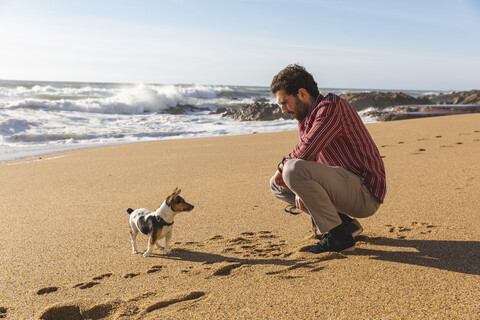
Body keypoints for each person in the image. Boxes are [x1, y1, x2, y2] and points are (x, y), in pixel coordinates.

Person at [269, 64, 386, 253]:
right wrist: (298, 188)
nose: (283, 109)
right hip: (343, 186)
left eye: (284, 102)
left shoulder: (331, 107)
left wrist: (282, 167)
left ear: (301, 93)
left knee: (289, 170)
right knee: (277, 185)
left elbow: (307, 150)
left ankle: (338, 238)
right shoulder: (306, 119)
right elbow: (308, 158)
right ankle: (345, 226)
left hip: (364, 192)